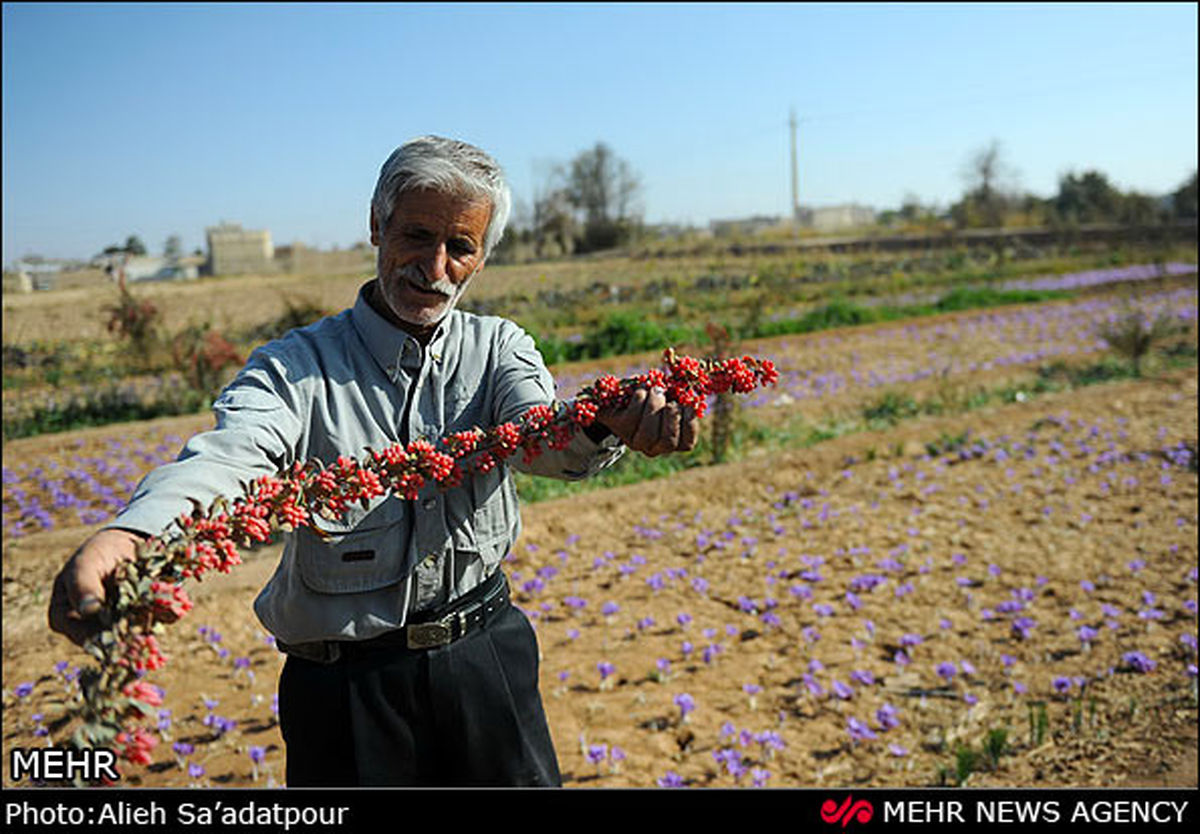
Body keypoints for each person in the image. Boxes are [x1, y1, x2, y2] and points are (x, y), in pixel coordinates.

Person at [48, 135, 700, 787]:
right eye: (417, 235)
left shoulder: (499, 349)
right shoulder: (295, 369)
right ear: (376, 225)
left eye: (461, 247)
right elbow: (228, 458)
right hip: (344, 690)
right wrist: (134, 534)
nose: (435, 266)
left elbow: (545, 438)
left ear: (482, 257)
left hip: (482, 661)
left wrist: (605, 423)